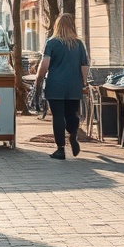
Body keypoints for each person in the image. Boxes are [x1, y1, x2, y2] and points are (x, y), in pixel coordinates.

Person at [32, 13, 89, 160]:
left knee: (58, 116)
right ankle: (73, 134)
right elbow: (85, 65)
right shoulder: (79, 44)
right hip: (74, 85)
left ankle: (60, 150)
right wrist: (84, 81)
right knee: (72, 114)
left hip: (55, 84)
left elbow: (44, 64)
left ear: (57, 25)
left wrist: (39, 78)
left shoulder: (52, 42)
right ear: (72, 26)